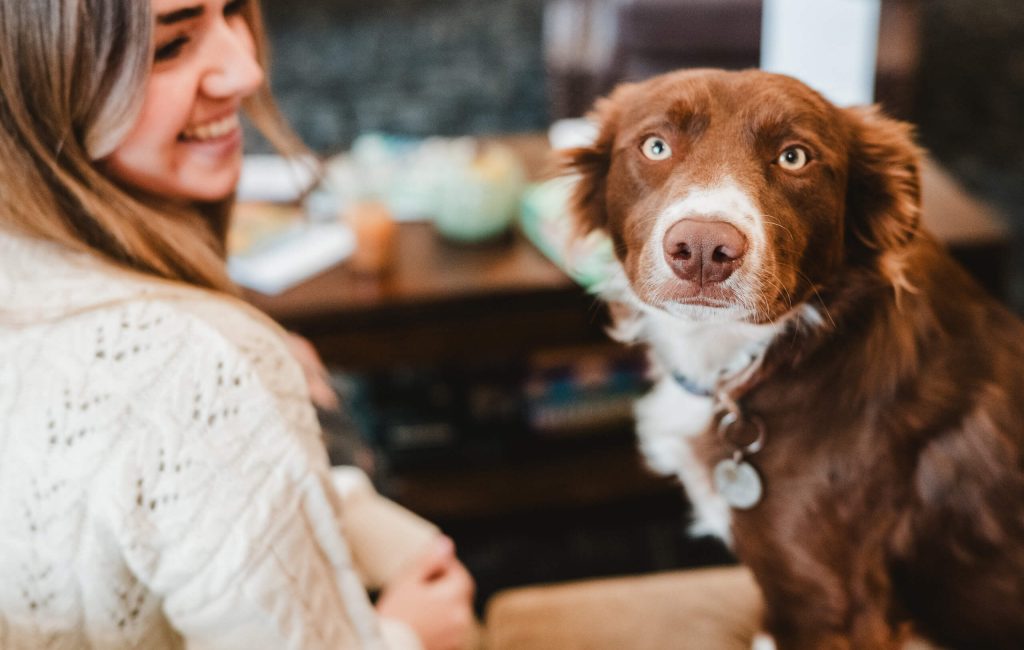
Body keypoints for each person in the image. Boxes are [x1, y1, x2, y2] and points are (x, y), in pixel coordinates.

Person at [0, 0, 476, 648]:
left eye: (232, 12)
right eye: (171, 45)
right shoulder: (202, 363)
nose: (246, 70)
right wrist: (406, 636)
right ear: (38, 77)